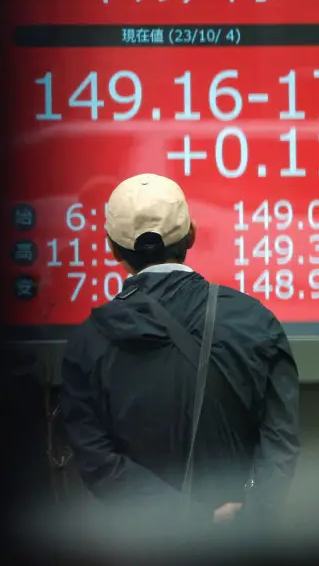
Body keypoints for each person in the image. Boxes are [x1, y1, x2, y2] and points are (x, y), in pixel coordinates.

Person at [58, 173, 300, 526]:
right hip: (240, 547)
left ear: (111, 248)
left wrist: (184, 515)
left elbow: (97, 460)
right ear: (192, 234)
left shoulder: (89, 341)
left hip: (145, 553)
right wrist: (248, 510)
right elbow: (281, 438)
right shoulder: (254, 320)